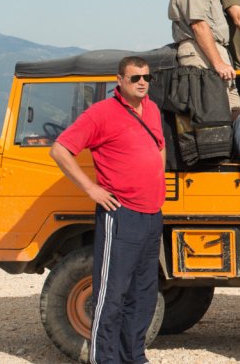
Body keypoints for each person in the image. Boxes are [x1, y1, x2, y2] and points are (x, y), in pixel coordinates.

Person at [49, 56, 165, 364]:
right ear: (120, 81)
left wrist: (158, 181)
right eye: (135, 77)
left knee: (143, 293)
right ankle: (106, 359)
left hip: (152, 214)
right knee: (111, 295)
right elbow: (59, 149)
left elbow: (160, 146)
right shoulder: (101, 113)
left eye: (146, 78)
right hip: (122, 214)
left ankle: (134, 356)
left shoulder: (151, 109)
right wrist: (91, 189)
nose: (142, 82)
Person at [168, 0, 240, 116]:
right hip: (201, 54)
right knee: (213, 116)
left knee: (235, 113)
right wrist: (218, 63)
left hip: (215, 53)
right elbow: (199, 25)